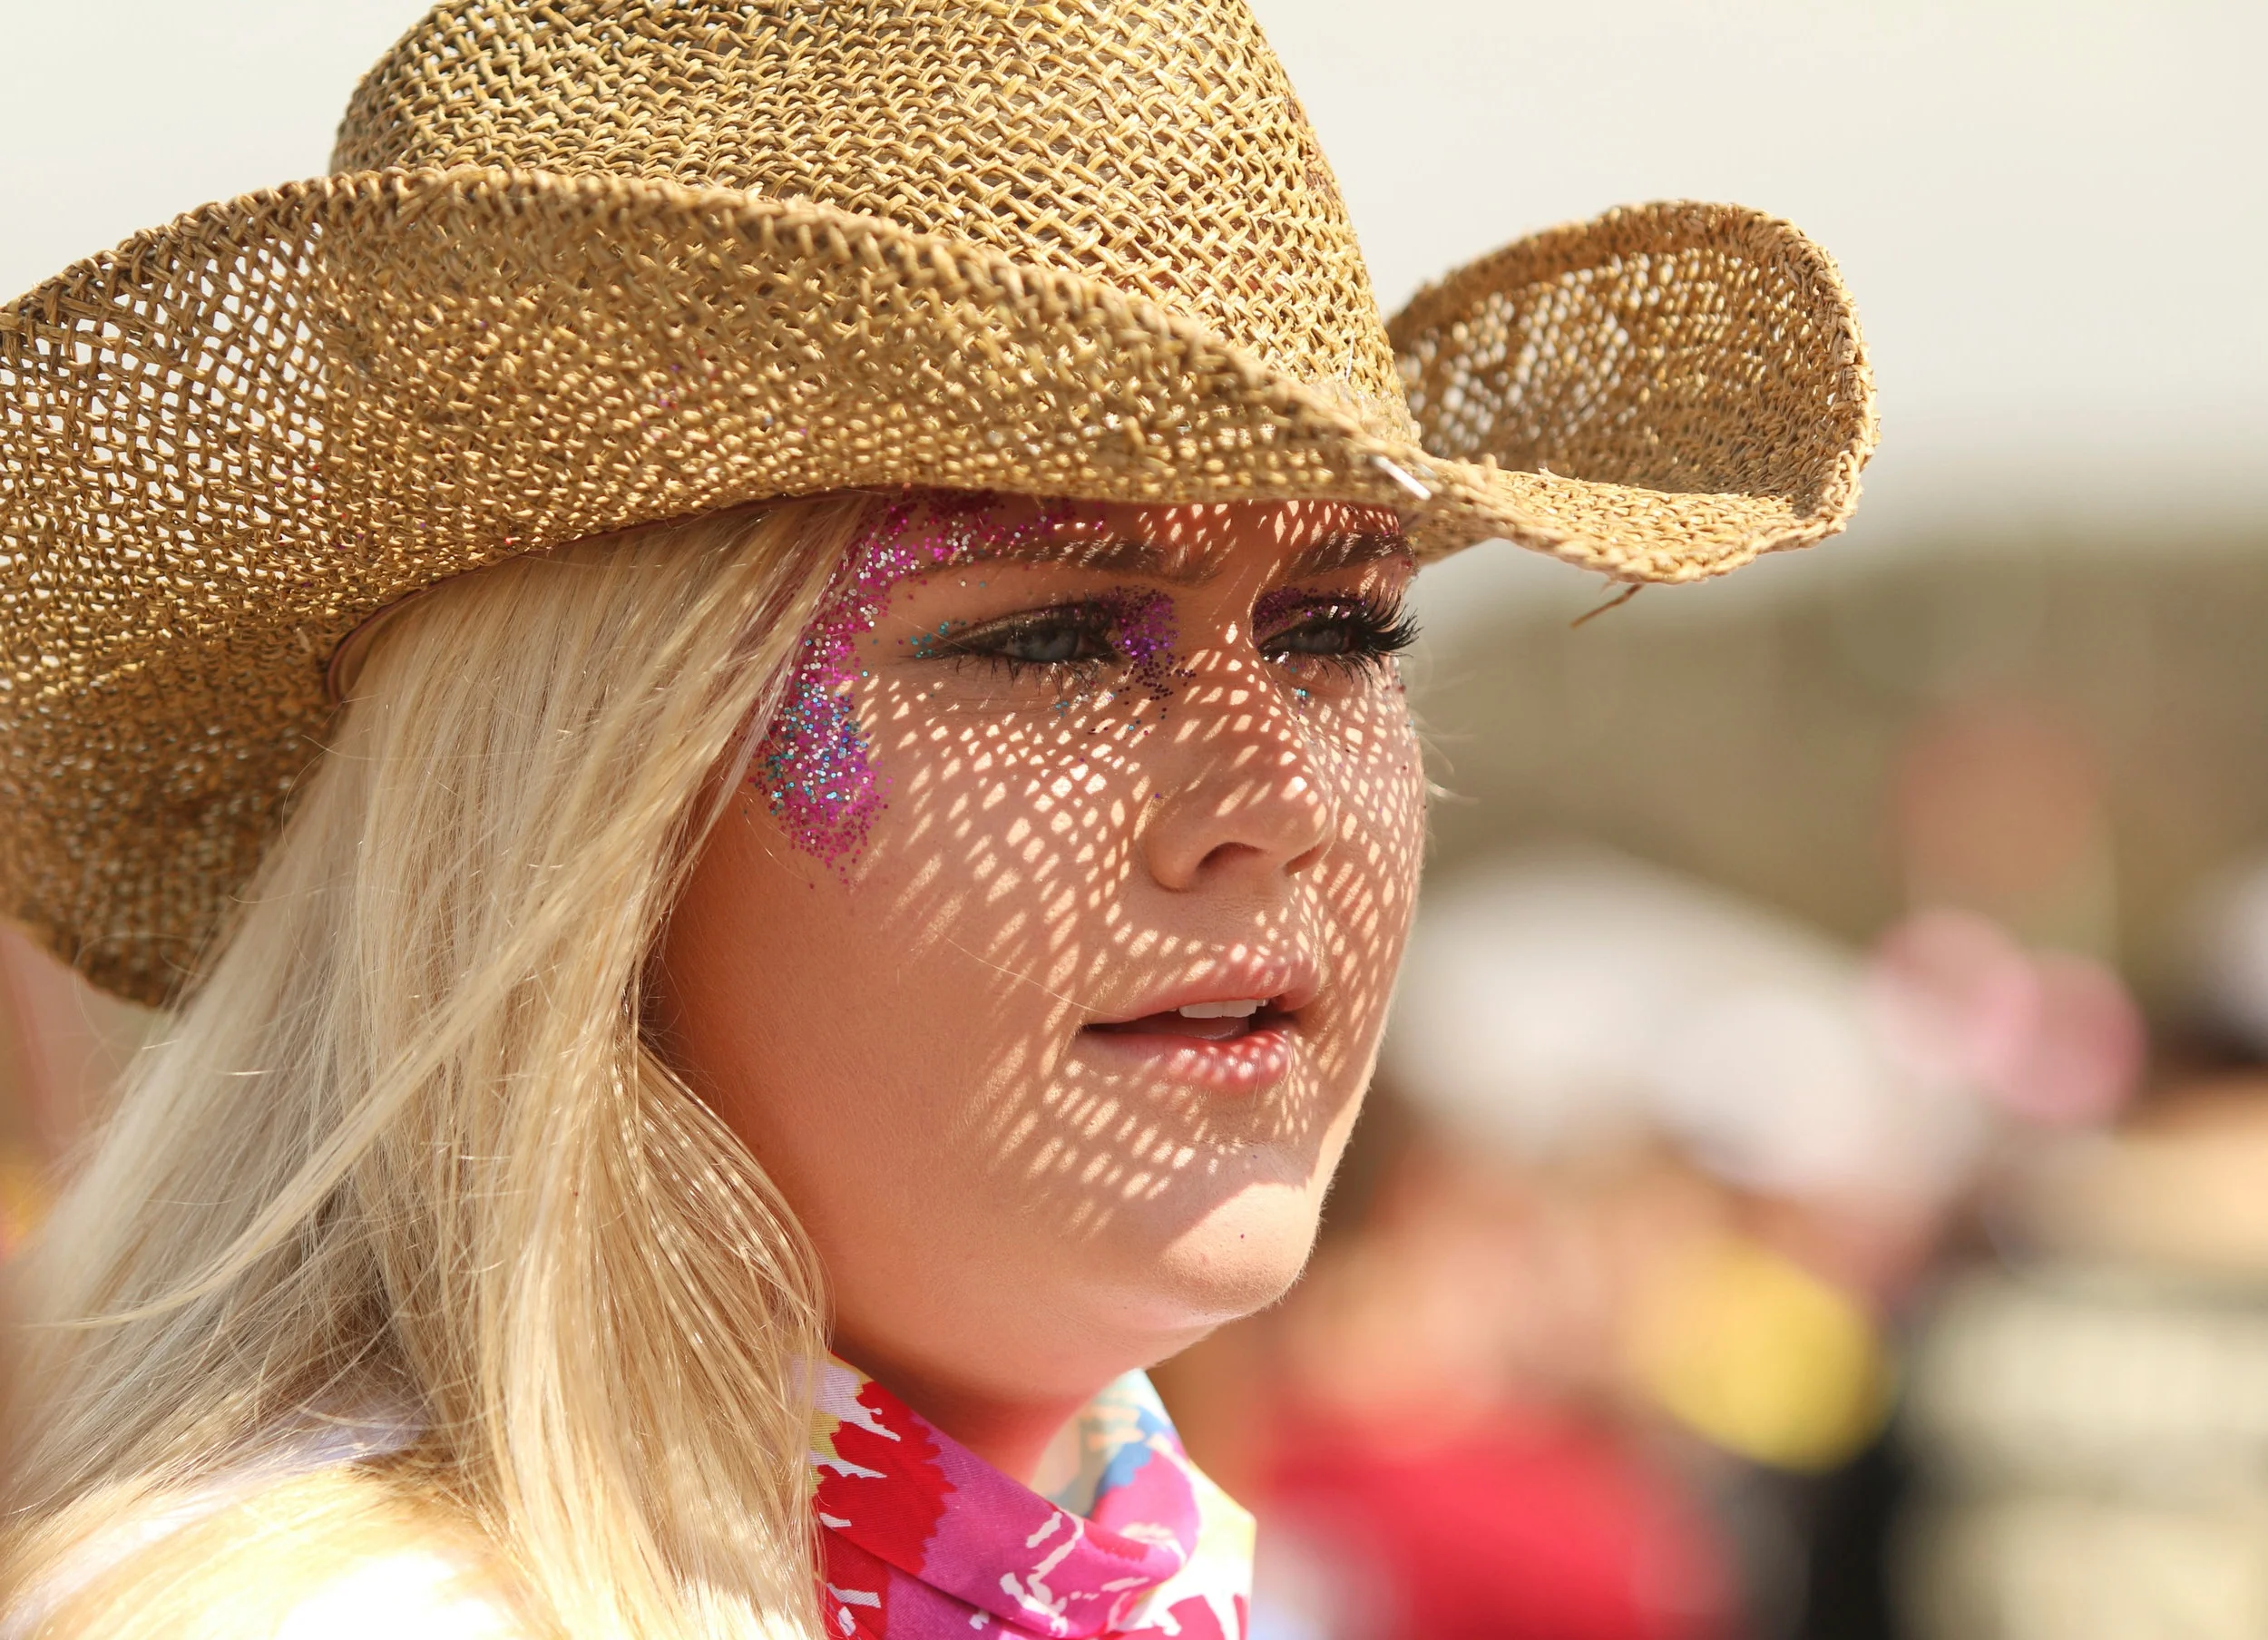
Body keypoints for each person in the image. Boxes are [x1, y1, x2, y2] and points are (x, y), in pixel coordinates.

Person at [0, 3, 1873, 1635]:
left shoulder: (1117, 1564)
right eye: (1049, 636)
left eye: (1337, 628)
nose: (1275, 802)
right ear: (591, 809)